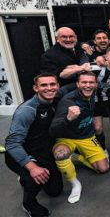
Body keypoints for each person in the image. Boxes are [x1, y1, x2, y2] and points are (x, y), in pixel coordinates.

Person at [5, 73, 63, 217]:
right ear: (35, 88)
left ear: (57, 86)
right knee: (34, 176)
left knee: (55, 191)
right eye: (44, 85)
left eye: (52, 84)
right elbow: (12, 144)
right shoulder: (27, 110)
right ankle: (29, 203)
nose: (49, 88)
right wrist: (32, 167)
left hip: (43, 151)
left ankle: (27, 177)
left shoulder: (55, 101)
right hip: (21, 153)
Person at [50, 71, 109, 204]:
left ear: (96, 84)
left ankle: (78, 157)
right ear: (77, 84)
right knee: (60, 154)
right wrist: (68, 118)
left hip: (87, 136)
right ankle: (75, 184)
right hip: (67, 138)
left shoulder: (94, 93)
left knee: (103, 169)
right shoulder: (68, 101)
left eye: (91, 82)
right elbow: (53, 130)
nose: (88, 85)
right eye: (84, 82)